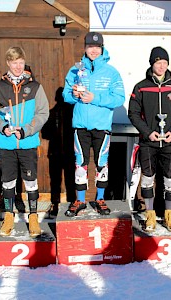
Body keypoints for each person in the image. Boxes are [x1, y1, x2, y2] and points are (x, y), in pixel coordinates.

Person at [0, 47, 49, 237]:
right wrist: (2, 126)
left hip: (27, 143)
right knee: (8, 182)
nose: (18, 67)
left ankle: (33, 217)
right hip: (6, 144)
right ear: (8, 64)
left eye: (20, 63)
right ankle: (9, 216)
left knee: (30, 181)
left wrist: (27, 130)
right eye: (14, 63)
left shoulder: (35, 87)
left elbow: (43, 113)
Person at [62, 32, 125, 216]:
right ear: (85, 48)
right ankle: (80, 200)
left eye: (97, 47)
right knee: (80, 163)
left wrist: (95, 98)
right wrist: (72, 96)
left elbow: (119, 98)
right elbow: (66, 95)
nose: (94, 50)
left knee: (101, 163)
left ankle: (100, 198)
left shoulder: (111, 72)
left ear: (102, 48)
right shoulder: (75, 70)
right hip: (80, 125)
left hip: (102, 125)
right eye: (90, 47)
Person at [128, 46, 171, 232]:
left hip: (169, 141)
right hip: (149, 142)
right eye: (158, 62)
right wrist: (147, 133)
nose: (161, 66)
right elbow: (134, 113)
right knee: (147, 178)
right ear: (152, 63)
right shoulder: (141, 87)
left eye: (164, 62)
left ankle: (169, 214)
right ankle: (150, 214)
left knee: (170, 179)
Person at [41, 87, 76, 218]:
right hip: (69, 152)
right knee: (70, 180)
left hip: (56, 152)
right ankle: (71, 203)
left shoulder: (51, 113)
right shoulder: (74, 112)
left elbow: (45, 134)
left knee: (56, 181)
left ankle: (55, 205)